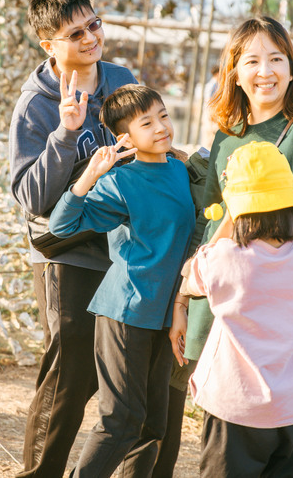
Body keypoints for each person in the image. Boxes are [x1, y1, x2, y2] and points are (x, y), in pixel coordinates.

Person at [157, 16, 293, 474]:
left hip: (281, 303)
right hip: (224, 293)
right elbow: (211, 221)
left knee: (266, 421)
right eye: (252, 61)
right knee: (217, 414)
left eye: (276, 59)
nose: (266, 71)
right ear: (235, 73)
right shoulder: (227, 135)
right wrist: (181, 301)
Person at [9, 0, 138, 478]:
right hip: (64, 251)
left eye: (94, 25)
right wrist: (66, 133)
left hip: (119, 249)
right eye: (75, 34)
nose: (90, 38)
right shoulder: (35, 105)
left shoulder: (120, 79)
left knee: (104, 377)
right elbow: (31, 196)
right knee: (69, 372)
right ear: (49, 45)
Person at [49, 84, 196, 478]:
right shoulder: (120, 181)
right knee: (121, 420)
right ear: (125, 137)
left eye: (163, 116)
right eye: (147, 123)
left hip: (164, 316)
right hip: (126, 311)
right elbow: (62, 226)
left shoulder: (180, 170)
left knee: (152, 426)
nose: (161, 127)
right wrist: (90, 176)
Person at [180, 140, 293, 476]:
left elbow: (190, 275)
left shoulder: (225, 259)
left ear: (240, 210)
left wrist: (228, 215)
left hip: (235, 407)